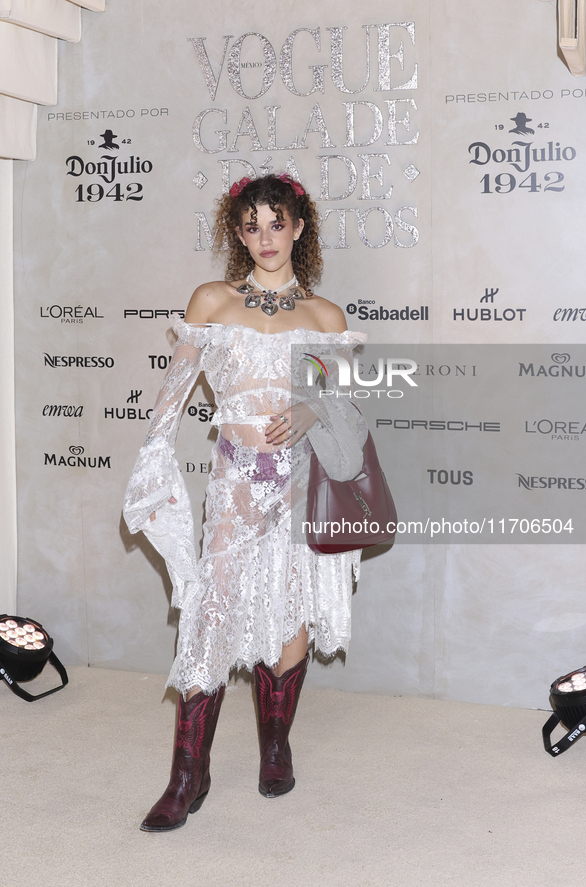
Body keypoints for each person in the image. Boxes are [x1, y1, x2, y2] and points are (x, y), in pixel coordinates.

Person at [123, 173, 368, 832]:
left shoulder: (325, 317)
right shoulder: (209, 301)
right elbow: (171, 400)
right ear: (237, 232)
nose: (265, 236)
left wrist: (312, 408)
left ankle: (276, 744)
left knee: (287, 610)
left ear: (298, 227)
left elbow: (344, 412)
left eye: (277, 222)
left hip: (297, 485)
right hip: (234, 486)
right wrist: (153, 466)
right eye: (251, 224)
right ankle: (186, 773)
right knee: (209, 616)